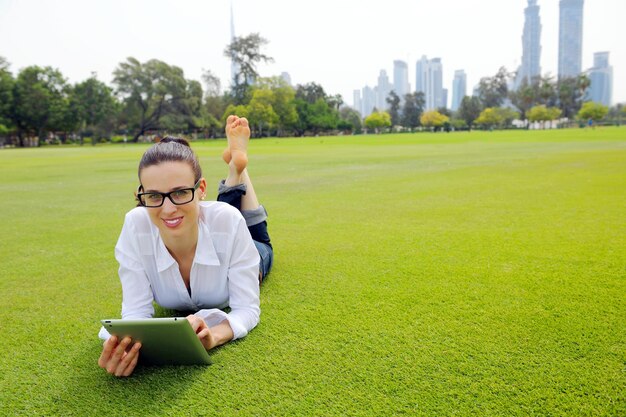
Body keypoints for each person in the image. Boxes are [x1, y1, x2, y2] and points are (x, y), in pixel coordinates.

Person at [98, 115, 272, 377]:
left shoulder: (227, 221)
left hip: (251, 251)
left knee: (258, 238)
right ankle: (234, 170)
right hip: (211, 219)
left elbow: (247, 309)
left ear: (201, 188)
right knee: (213, 215)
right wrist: (126, 347)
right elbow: (136, 314)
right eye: (154, 196)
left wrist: (213, 336)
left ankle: (239, 169)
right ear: (141, 195)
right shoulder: (135, 226)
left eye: (180, 192)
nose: (167, 209)